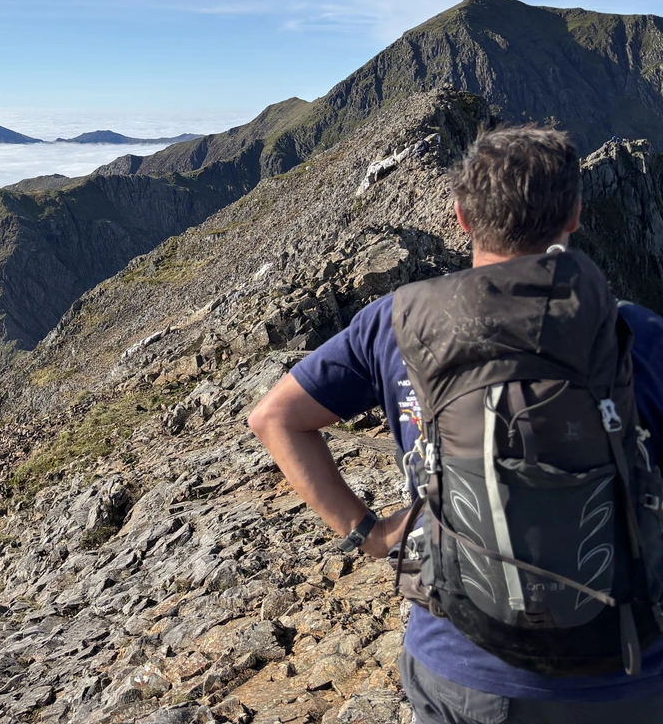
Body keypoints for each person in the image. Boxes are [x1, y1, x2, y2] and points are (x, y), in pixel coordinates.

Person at [248, 126, 663, 722]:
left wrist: (368, 532)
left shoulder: (393, 325)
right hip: (628, 673)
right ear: (574, 214)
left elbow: (275, 418)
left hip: (463, 669)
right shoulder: (635, 333)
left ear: (461, 216)